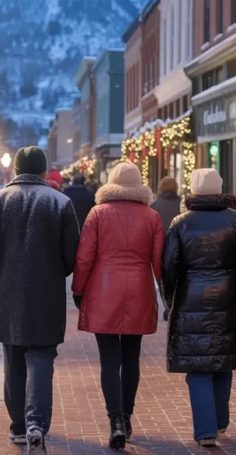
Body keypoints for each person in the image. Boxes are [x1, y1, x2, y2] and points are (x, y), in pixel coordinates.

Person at [0, 146, 81, 454]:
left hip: (7, 295)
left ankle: (19, 427)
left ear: (15, 171)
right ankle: (36, 424)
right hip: (46, 296)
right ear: (44, 172)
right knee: (41, 360)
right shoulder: (60, 203)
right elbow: (71, 256)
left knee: (14, 361)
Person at [162, 168, 236, 448]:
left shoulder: (180, 223)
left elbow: (169, 268)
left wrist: (170, 300)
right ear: (220, 189)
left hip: (190, 296)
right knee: (223, 360)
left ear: (192, 190)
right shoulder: (235, 220)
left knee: (198, 365)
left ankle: (206, 431)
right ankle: (219, 419)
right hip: (228, 296)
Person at [71, 162, 163, 449]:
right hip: (139, 290)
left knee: (109, 361)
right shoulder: (152, 216)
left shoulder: (97, 214)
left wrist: (78, 290)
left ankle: (115, 421)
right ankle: (128, 415)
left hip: (104, 291)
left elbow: (85, 258)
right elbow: (159, 263)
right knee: (131, 358)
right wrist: (165, 292)